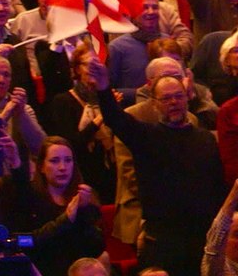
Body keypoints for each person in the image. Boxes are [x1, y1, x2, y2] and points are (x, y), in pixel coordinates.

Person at [88, 57, 225, 275]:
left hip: (201, 241)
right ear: (154, 103)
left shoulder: (206, 139)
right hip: (163, 243)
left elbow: (218, 187)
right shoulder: (146, 137)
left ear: (187, 99)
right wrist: (104, 88)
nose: (174, 102)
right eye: (166, 98)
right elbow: (115, 118)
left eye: (179, 96)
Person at [3, 136, 103, 276]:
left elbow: (96, 248)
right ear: (42, 167)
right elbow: (24, 241)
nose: (63, 167)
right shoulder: (29, 196)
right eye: (54, 161)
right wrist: (65, 220)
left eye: (68, 160)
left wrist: (84, 212)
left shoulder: (84, 197)